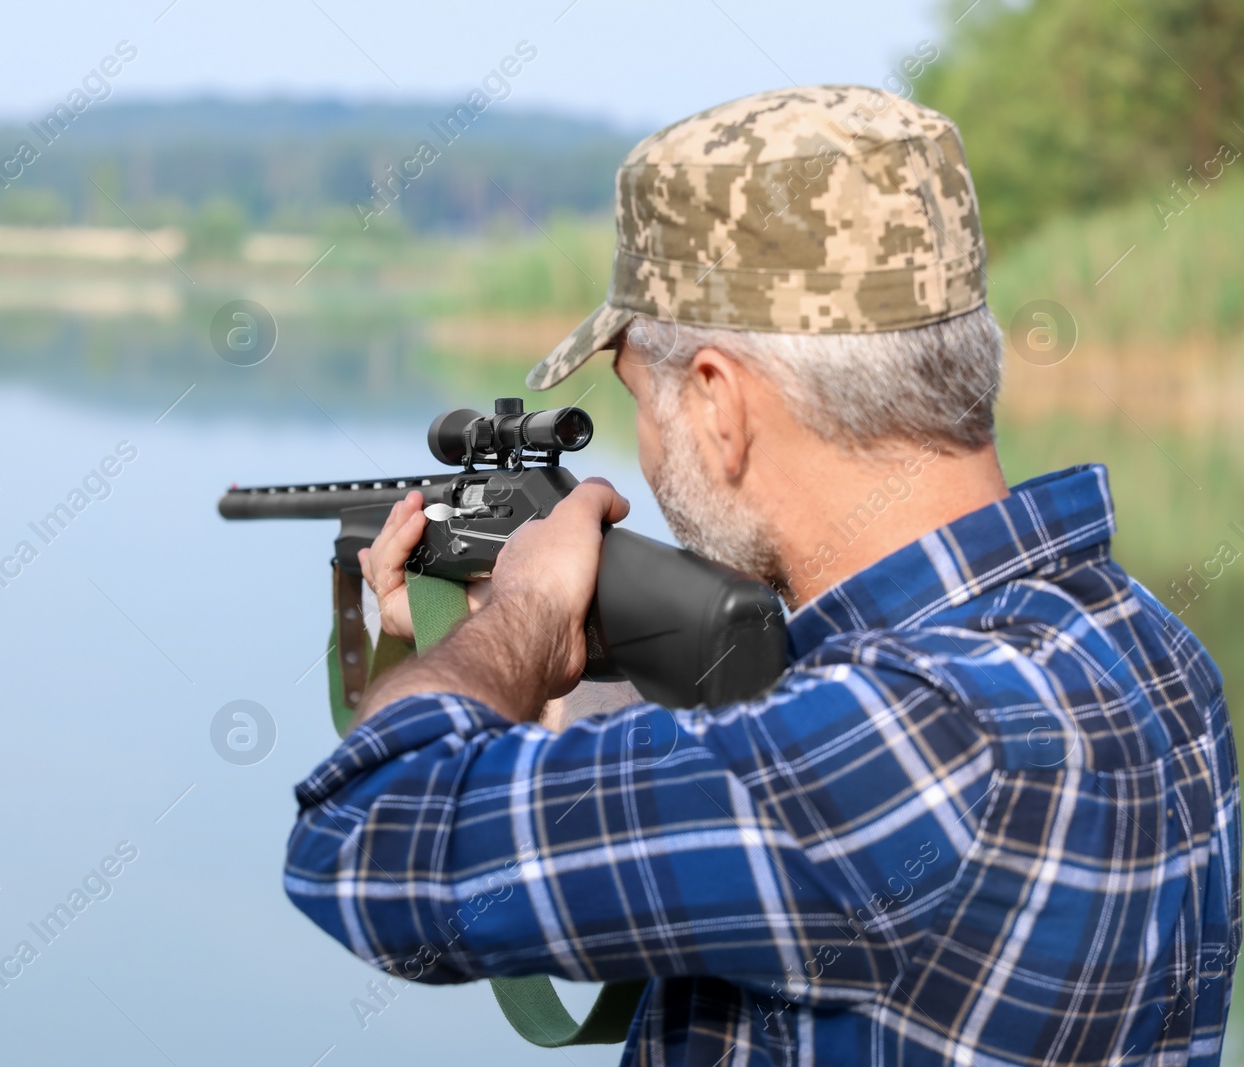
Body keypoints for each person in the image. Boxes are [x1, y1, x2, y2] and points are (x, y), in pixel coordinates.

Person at [283, 86, 1240, 1066]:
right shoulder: (1144, 642)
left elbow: (363, 844)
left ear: (717, 402)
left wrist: (524, 608)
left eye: (634, 401)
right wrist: (515, 646)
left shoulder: (907, 737)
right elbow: (764, 810)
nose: (646, 453)